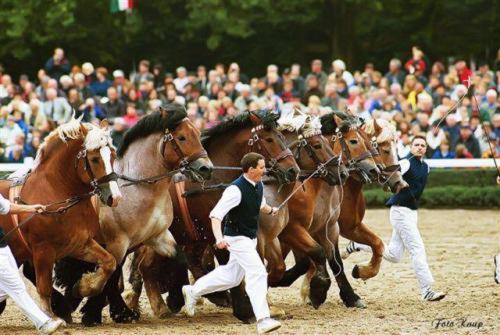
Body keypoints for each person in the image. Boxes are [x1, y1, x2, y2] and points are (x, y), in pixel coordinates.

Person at [182, 152, 282, 334]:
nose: (265, 170)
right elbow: (215, 215)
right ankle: (263, 319)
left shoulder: (257, 185)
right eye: (261, 167)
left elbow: (260, 205)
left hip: (249, 239)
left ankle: (193, 291)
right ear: (251, 170)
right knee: (258, 272)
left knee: (232, 276)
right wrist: (219, 238)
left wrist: (271, 211)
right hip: (236, 239)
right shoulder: (235, 190)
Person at [342, 136, 446, 302]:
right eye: (416, 145)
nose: (419, 147)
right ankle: (427, 290)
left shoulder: (426, 167)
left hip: (412, 213)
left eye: (422, 145)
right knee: (417, 248)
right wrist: (399, 182)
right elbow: (390, 174)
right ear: (411, 147)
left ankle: (358, 245)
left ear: (426, 149)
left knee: (394, 255)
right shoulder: (406, 163)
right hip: (400, 211)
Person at [0, 195, 64, 334]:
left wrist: (31, 208)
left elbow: (6, 207)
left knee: (4, 289)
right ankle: (43, 323)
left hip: (3, 247)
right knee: (17, 286)